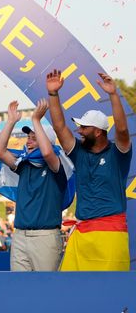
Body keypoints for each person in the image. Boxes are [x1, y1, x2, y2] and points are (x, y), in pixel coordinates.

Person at [46, 70, 132, 271]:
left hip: (111, 234)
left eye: (84, 128)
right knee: (71, 289)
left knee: (110, 294)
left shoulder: (118, 154)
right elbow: (59, 127)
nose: (79, 131)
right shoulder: (79, 152)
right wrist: (53, 94)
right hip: (83, 232)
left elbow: (121, 130)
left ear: (98, 131)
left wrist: (113, 95)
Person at [0, 100, 67, 271]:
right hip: (19, 235)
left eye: (35, 139)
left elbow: (47, 152)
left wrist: (36, 120)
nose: (29, 141)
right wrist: (11, 121)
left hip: (46, 237)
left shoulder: (56, 166)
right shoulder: (23, 164)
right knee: (20, 289)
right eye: (28, 137)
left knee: (46, 289)